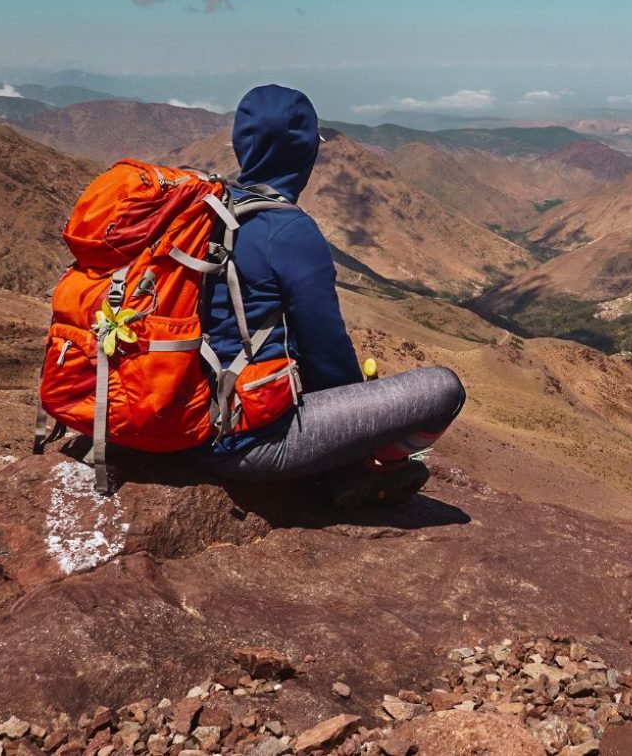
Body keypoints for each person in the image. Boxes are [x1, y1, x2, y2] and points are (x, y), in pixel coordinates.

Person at [192, 84, 465, 504]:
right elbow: (328, 356)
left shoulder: (207, 213)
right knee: (444, 390)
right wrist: (360, 417)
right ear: (306, 153)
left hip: (187, 421)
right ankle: (360, 473)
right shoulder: (289, 231)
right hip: (246, 441)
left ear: (239, 145)